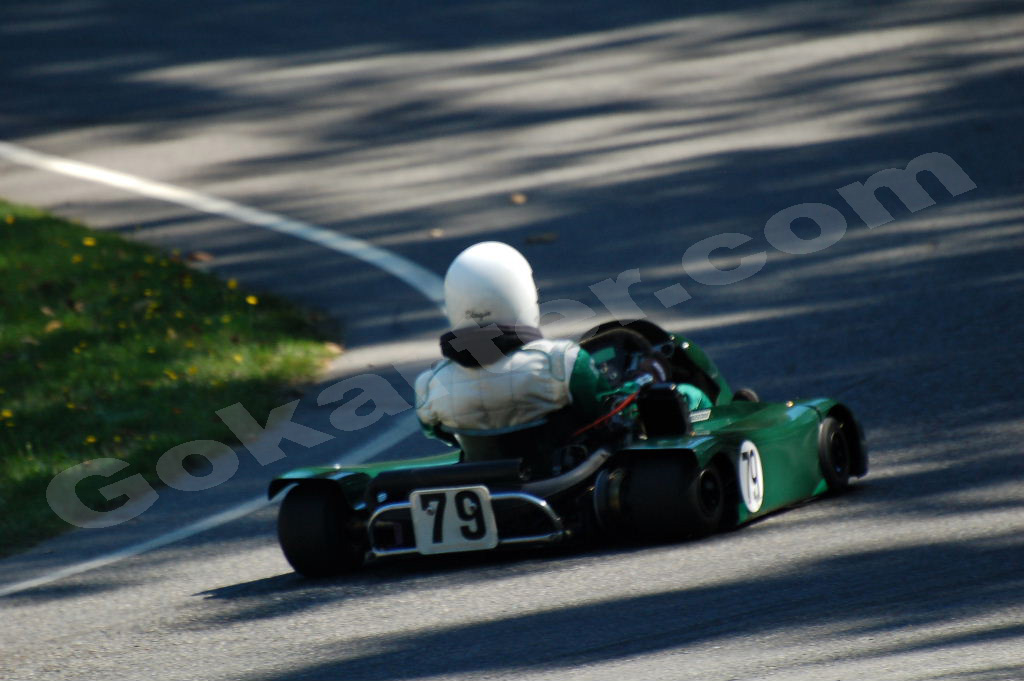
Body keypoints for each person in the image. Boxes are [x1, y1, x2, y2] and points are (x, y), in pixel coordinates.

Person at [414, 242, 610, 442]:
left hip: (479, 463)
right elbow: (601, 411)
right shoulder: (563, 363)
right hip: (554, 461)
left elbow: (436, 432)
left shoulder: (430, 385)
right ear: (525, 293)